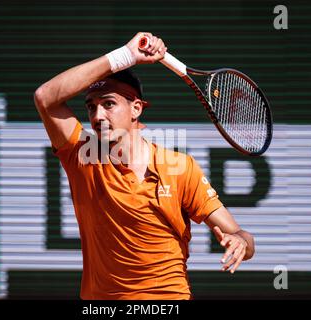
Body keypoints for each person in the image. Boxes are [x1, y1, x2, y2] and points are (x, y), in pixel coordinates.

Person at [34, 32, 255, 300]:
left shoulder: (180, 167)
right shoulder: (81, 158)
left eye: (109, 104)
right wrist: (126, 55)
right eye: (91, 107)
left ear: (136, 109)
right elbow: (45, 96)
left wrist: (240, 241)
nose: (97, 115)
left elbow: (240, 234)